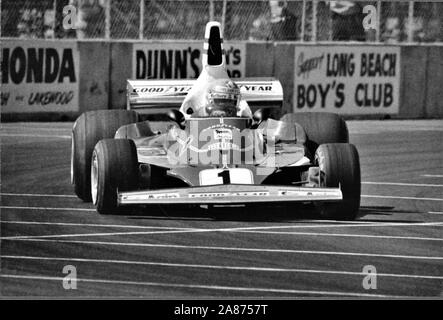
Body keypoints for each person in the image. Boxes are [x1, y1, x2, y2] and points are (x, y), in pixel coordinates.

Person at [180, 79, 252, 119]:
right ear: (210, 100)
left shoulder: (243, 116)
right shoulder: (197, 118)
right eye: (222, 101)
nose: (226, 105)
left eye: (231, 101)